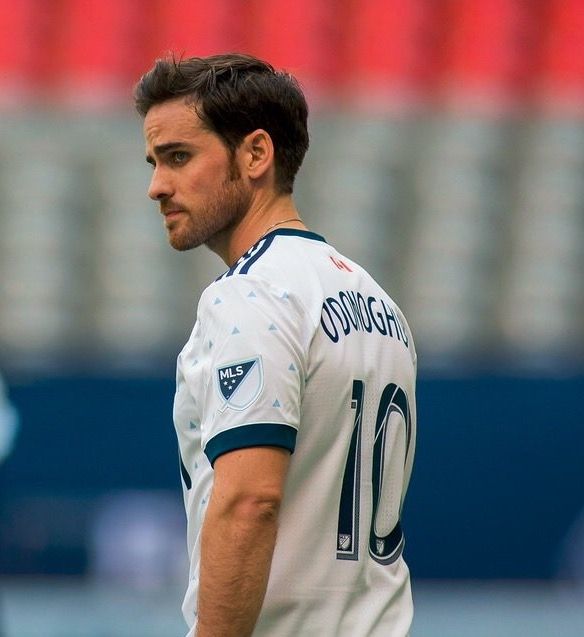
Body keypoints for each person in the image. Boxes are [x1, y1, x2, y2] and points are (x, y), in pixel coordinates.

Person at [135, 53, 417, 637]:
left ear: (256, 154)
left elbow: (249, 502)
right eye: (155, 162)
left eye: (178, 157)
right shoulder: (380, 304)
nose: (156, 186)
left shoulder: (252, 295)